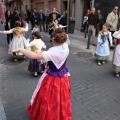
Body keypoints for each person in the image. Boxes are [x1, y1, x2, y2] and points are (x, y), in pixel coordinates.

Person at [11, 28, 72, 120]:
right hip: (63, 77)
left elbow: (34, 55)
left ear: (52, 39)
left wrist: (20, 49)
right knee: (60, 98)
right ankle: (59, 115)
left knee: (48, 98)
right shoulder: (66, 47)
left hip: (51, 79)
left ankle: (47, 116)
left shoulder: (51, 53)